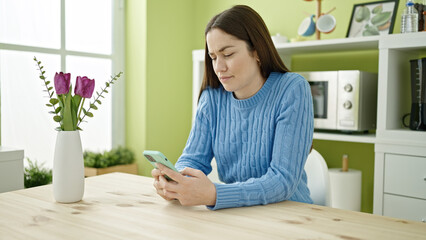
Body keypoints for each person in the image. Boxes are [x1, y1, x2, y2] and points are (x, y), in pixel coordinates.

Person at [152, 5, 314, 210]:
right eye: (213, 57)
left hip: (291, 215)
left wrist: (214, 194)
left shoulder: (291, 89)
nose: (219, 68)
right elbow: (193, 158)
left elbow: (282, 180)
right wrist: (177, 182)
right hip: (238, 213)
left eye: (227, 54)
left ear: (257, 51)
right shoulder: (212, 97)